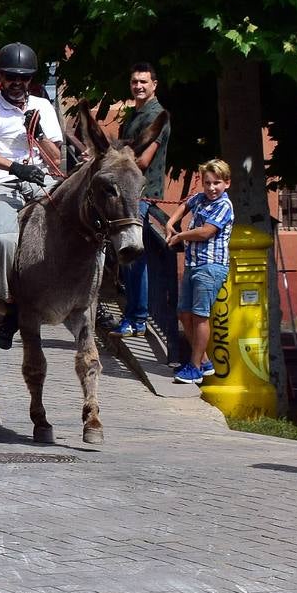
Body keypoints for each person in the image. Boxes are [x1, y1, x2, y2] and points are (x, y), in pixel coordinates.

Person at [0, 42, 63, 349]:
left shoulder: (43, 107)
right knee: (7, 240)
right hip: (1, 181)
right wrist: (13, 167)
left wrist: (40, 135)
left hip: (39, 178)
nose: (17, 83)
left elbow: (56, 159)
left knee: (78, 222)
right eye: (11, 77)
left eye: (23, 78)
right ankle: (10, 306)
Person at [109, 62, 171, 338]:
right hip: (128, 195)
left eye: (144, 82)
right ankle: (132, 315)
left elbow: (143, 162)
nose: (139, 86)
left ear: (154, 84)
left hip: (143, 196)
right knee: (128, 260)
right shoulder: (134, 114)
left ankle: (138, 318)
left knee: (135, 259)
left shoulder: (158, 117)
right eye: (135, 82)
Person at [165, 159, 234, 385]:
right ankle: (204, 361)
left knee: (200, 316)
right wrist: (170, 223)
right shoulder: (201, 198)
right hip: (193, 264)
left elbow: (206, 232)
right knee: (184, 313)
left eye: (217, 183)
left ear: (227, 183)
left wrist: (179, 236)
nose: (212, 188)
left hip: (210, 266)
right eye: (207, 183)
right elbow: (185, 204)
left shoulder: (224, 205)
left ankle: (194, 367)